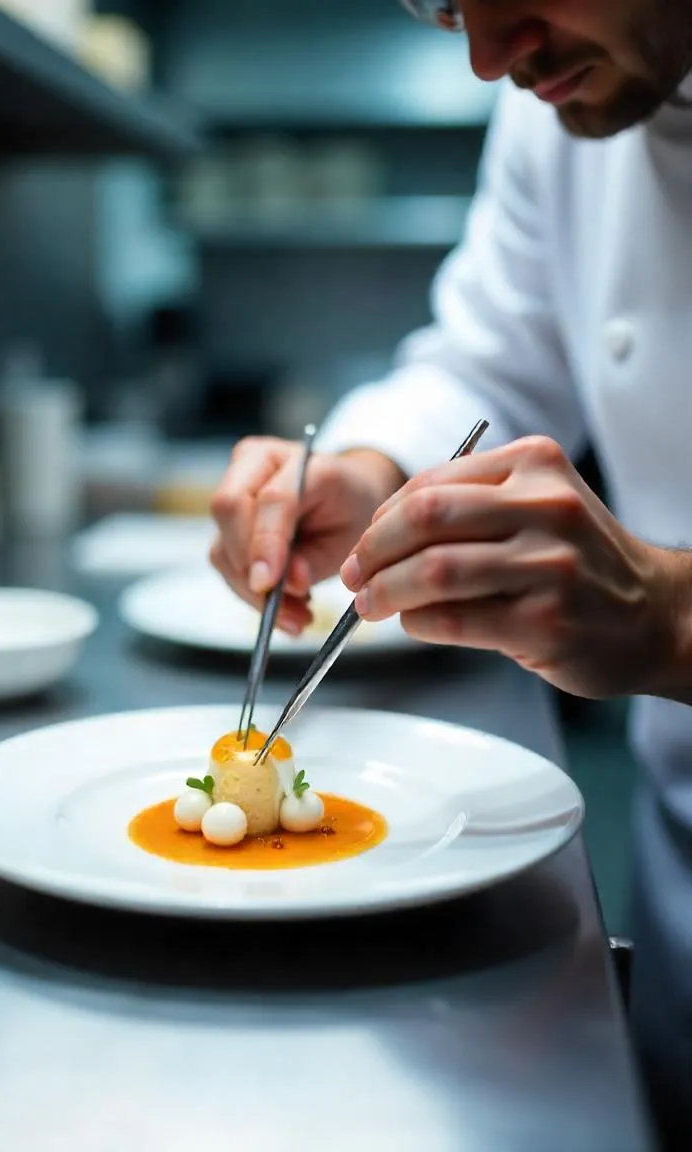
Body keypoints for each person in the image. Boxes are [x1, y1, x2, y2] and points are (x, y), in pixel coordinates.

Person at [209, 1, 692, 1146]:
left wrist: (673, 623)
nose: (485, 54)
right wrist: (372, 471)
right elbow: (491, 361)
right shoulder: (560, 97)